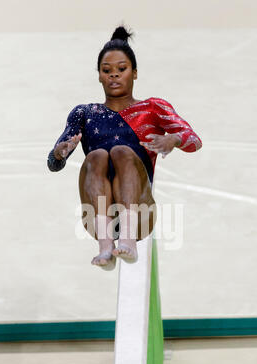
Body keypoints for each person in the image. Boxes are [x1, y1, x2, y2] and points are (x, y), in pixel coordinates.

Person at [47, 25, 202, 270]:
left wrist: (173, 139)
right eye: (106, 70)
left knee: (121, 151)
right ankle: (106, 246)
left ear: (135, 73)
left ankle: (128, 240)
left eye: (122, 69)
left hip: (140, 213)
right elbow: (53, 163)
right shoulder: (84, 113)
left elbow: (194, 140)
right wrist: (60, 152)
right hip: (97, 217)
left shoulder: (153, 108)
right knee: (96, 155)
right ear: (98, 75)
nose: (114, 75)